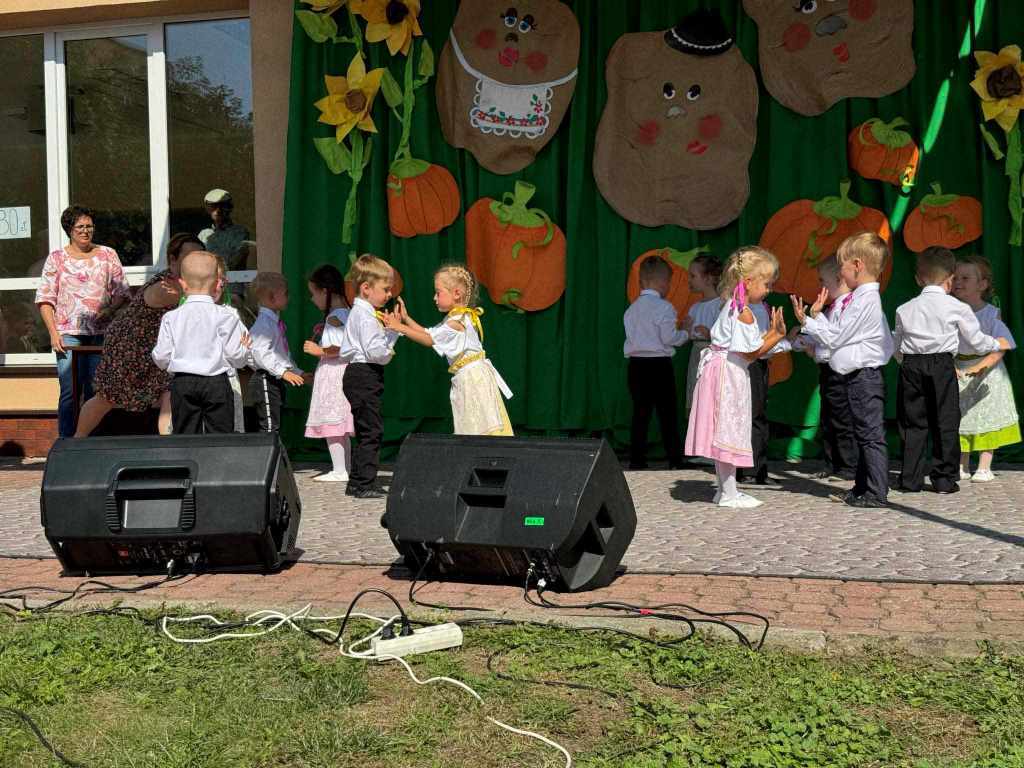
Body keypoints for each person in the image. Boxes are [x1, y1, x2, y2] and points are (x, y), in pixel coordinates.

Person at [892, 247, 1007, 494]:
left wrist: (905, 362)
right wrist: (995, 344)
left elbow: (897, 343)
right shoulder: (957, 307)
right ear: (950, 279)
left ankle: (910, 480)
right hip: (942, 366)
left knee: (912, 423)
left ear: (918, 279)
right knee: (945, 421)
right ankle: (943, 479)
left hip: (912, 365)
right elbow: (976, 341)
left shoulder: (904, 308)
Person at [792, 232, 895, 509]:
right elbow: (839, 334)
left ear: (857, 266)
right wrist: (814, 321)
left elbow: (835, 337)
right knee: (863, 434)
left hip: (864, 377)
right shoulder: (858, 299)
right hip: (856, 376)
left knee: (870, 435)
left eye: (842, 267)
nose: (840, 273)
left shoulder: (866, 300)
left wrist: (809, 322)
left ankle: (876, 492)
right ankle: (862, 488)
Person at [686, 246, 787, 508]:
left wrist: (771, 334)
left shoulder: (735, 306)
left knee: (724, 429)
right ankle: (729, 493)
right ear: (749, 282)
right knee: (729, 430)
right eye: (766, 284)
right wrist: (777, 334)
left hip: (723, 370)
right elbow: (750, 353)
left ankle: (724, 489)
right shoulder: (742, 311)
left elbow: (749, 345)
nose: (769, 290)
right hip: (727, 375)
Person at [75, 234, 204, 437]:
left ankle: (168, 445)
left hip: (157, 349)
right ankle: (77, 440)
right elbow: (200, 306)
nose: (196, 263)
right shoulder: (167, 286)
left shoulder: (185, 283)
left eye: (201, 257)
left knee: (170, 391)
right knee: (107, 397)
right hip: (129, 346)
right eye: (190, 258)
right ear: (173, 260)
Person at [383, 264, 514, 436]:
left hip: (473, 379)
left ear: (456, 294)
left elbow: (429, 340)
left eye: (438, 293)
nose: (434, 298)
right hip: (469, 377)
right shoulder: (455, 318)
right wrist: (406, 319)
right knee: (473, 424)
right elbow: (429, 333)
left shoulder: (456, 322)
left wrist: (399, 327)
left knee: (480, 425)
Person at [35, 205, 131, 437]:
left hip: (100, 334)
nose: (86, 231)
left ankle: (91, 443)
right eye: (80, 227)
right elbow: (45, 299)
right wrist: (53, 334)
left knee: (96, 391)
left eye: (89, 226)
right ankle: (66, 442)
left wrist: (110, 310)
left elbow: (122, 293)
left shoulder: (108, 254)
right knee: (69, 391)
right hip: (68, 336)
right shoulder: (57, 258)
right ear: (70, 229)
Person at [151, 250, 250, 434]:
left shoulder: (171, 317)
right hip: (217, 382)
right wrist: (244, 349)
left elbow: (161, 356)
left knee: (186, 436)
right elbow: (236, 357)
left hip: (183, 382)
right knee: (220, 436)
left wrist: (170, 363)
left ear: (182, 284)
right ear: (217, 284)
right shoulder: (226, 316)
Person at [952, 254, 1019, 483]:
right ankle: (961, 464)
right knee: (961, 418)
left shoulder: (990, 313)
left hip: (987, 373)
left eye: (965, 278)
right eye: (955, 277)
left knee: (985, 417)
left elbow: (1003, 345)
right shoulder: (951, 311)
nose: (958, 282)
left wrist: (981, 366)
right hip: (959, 370)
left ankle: (984, 466)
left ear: (982, 285)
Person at [340, 254, 400, 499]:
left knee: (365, 429)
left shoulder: (361, 313)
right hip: (364, 374)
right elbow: (377, 353)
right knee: (371, 431)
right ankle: (364, 484)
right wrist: (393, 334)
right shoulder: (365, 317)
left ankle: (357, 481)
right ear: (366, 288)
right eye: (385, 289)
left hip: (359, 374)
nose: (389, 294)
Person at [792, 256, 857, 481]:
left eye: (823, 281)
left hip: (840, 371)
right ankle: (832, 463)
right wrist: (803, 341)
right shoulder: (832, 307)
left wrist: (813, 327)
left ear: (839, 279)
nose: (821, 286)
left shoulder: (848, 306)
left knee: (843, 419)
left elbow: (834, 340)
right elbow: (822, 336)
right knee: (829, 418)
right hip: (828, 372)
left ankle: (848, 466)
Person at [622, 255, 688, 469]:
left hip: (636, 366)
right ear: (662, 282)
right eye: (668, 282)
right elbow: (669, 338)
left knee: (640, 414)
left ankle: (637, 460)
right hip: (659, 366)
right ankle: (675, 460)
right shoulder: (664, 308)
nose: (669, 286)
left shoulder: (632, 310)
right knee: (667, 414)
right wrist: (685, 333)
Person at [303, 264, 355, 482]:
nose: (312, 299)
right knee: (339, 426)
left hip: (334, 375)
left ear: (325, 291)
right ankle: (344, 467)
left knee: (332, 424)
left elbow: (342, 347)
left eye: (313, 293)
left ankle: (339, 469)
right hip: (340, 372)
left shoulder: (335, 317)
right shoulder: (347, 313)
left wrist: (319, 351)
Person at [247, 272, 306, 433]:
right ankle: (268, 450)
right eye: (285, 294)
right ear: (272, 298)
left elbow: (281, 354)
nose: (288, 297)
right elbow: (260, 353)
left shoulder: (273, 322)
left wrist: (297, 372)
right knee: (269, 426)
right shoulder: (264, 324)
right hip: (265, 379)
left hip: (274, 378)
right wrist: (283, 372)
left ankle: (275, 449)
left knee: (275, 423)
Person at [683, 253, 724, 418]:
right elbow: (687, 336)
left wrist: (710, 334)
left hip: (712, 357)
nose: (689, 280)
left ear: (708, 279)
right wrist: (685, 331)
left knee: (710, 396)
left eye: (693, 276)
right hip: (696, 356)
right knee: (695, 392)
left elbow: (726, 336)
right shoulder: (695, 307)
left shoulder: (720, 305)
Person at [197, 189, 250, 272]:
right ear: (207, 209)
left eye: (223, 206)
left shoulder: (239, 232)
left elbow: (234, 262)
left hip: (232, 278)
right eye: (213, 206)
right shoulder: (204, 235)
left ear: (230, 208)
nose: (218, 210)